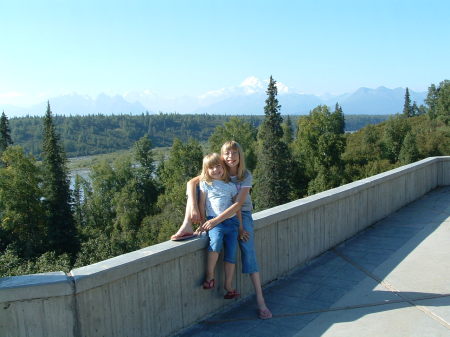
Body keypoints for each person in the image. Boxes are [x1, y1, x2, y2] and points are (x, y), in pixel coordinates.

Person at [171, 141, 272, 319]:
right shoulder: (217, 168)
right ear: (222, 155)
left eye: (234, 153)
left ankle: (261, 301)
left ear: (240, 155)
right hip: (218, 219)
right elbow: (192, 183)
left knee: (248, 250)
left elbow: (238, 205)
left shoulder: (245, 176)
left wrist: (217, 221)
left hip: (241, 214)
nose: (230, 157)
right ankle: (187, 225)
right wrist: (195, 208)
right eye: (227, 154)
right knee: (198, 191)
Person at [198, 153, 243, 299]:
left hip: (231, 224)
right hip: (214, 223)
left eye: (218, 166)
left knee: (231, 254)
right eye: (211, 168)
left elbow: (237, 208)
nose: (216, 170)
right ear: (206, 170)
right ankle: (210, 276)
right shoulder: (206, 184)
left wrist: (241, 227)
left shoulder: (231, 186)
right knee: (215, 243)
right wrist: (201, 222)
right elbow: (201, 204)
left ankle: (228, 286)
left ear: (223, 167)